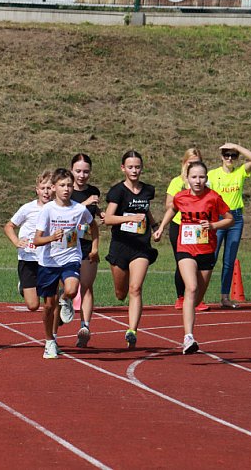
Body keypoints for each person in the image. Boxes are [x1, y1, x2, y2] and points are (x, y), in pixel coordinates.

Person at [154, 161, 234, 353]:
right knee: (191, 287)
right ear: (187, 179)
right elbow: (173, 209)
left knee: (197, 298)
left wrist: (213, 226)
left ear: (206, 178)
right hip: (186, 248)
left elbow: (230, 219)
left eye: (201, 177)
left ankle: (190, 318)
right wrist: (161, 228)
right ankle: (188, 337)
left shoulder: (214, 197)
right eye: (194, 177)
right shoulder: (181, 197)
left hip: (206, 250)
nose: (198, 181)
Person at [33, 169, 95, 359]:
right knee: (49, 307)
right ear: (53, 188)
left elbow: (93, 226)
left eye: (69, 185)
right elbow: (37, 240)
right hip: (49, 261)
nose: (66, 189)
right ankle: (49, 341)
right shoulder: (47, 210)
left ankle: (66, 298)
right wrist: (52, 237)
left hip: (71, 257)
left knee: (71, 289)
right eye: (62, 185)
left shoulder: (79, 209)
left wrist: (95, 247)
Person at [103, 150, 158, 349]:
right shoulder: (118, 191)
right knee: (121, 293)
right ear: (123, 168)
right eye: (131, 167)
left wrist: (154, 227)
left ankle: (132, 330)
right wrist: (129, 218)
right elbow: (108, 219)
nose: (134, 170)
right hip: (120, 246)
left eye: (137, 167)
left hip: (141, 247)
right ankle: (123, 298)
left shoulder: (147, 190)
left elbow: (146, 210)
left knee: (136, 288)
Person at [208, 143, 251, 308]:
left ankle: (224, 297)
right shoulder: (213, 175)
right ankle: (198, 296)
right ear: (221, 157)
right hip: (219, 218)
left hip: (236, 219)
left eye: (233, 156)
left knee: (229, 260)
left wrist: (236, 146)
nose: (229, 158)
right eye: (226, 155)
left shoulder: (240, 172)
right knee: (211, 258)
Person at [3, 170, 54, 312]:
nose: (46, 192)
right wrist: (16, 241)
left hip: (48, 258)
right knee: (33, 306)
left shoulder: (57, 208)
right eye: (43, 188)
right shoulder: (28, 208)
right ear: (37, 190)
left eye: (49, 188)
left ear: (54, 189)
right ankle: (24, 286)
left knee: (50, 302)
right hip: (28, 258)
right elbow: (9, 226)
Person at [166, 148, 210, 312]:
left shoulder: (205, 182)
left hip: (199, 227)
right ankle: (181, 296)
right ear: (184, 164)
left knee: (199, 262)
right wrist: (186, 199)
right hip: (180, 226)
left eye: (197, 163)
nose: (193, 166)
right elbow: (169, 205)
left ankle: (197, 298)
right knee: (182, 261)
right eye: (190, 163)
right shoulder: (177, 182)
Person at [70, 153, 102, 348]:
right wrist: (86, 203)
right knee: (67, 287)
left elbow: (93, 214)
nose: (82, 175)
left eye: (86, 171)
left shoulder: (94, 191)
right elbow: (65, 214)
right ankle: (59, 318)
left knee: (87, 285)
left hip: (88, 244)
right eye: (78, 171)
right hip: (67, 245)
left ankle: (85, 326)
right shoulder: (66, 190)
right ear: (71, 170)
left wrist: (101, 213)